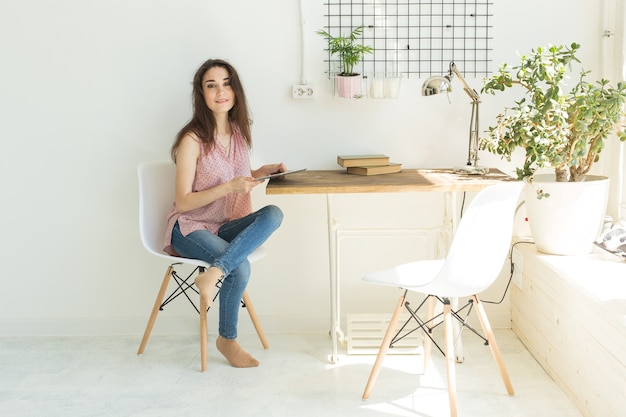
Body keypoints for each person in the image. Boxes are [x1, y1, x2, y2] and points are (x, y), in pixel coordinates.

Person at [163, 58, 285, 368]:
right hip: (191, 227)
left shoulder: (239, 133)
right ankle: (227, 340)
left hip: (224, 225)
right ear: (201, 94)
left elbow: (236, 177)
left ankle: (214, 273)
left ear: (235, 89)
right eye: (211, 85)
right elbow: (184, 202)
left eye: (226, 83)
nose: (221, 91)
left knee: (273, 213)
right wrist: (229, 188)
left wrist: (261, 172)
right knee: (240, 267)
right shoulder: (192, 140)